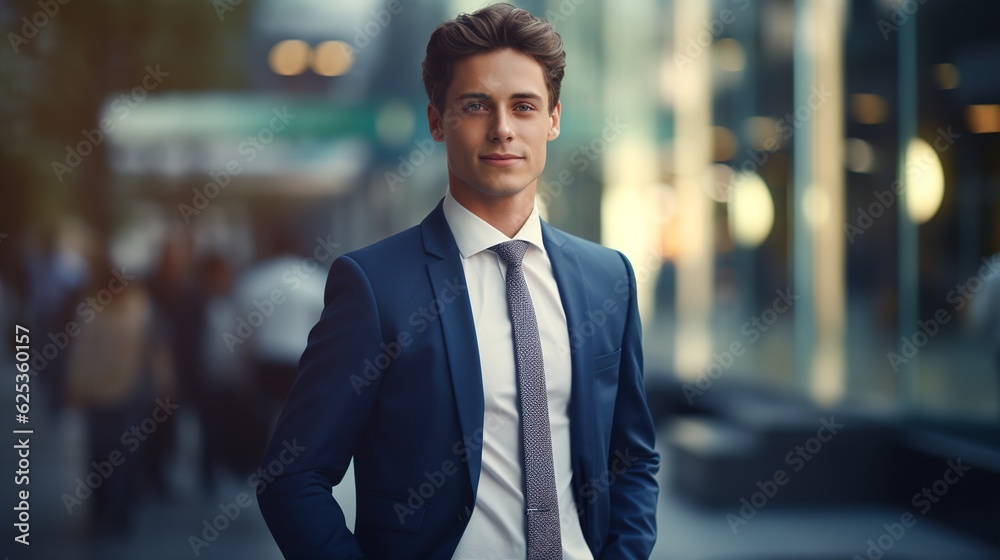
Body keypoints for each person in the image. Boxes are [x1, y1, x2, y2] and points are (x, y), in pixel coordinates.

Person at [257, 4, 659, 559]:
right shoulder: (374, 287)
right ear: (436, 121)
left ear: (553, 120)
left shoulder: (606, 277)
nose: (502, 129)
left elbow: (633, 456)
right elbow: (291, 477)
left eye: (524, 106)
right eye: (476, 105)